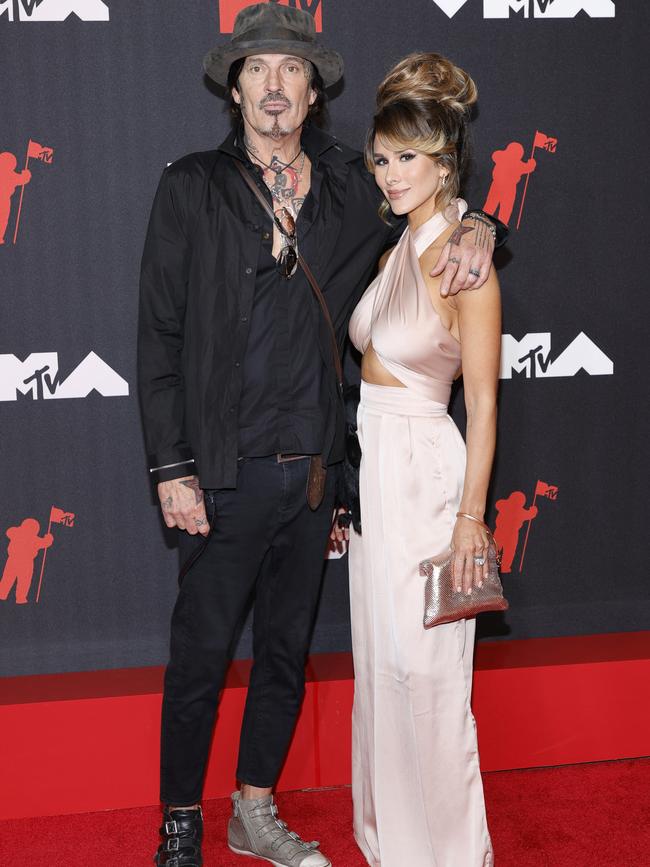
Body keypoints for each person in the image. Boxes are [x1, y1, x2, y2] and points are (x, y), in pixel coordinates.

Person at [138, 6, 504, 865]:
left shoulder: (352, 185)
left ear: (312, 91)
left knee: (283, 655)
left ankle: (253, 809)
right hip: (220, 473)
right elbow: (159, 334)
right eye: (257, 69)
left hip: (312, 477)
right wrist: (172, 466)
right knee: (199, 656)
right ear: (235, 87)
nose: (274, 85)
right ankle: (181, 822)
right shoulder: (190, 185)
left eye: (291, 70)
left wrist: (487, 225)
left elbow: (433, 215)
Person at [347, 52, 501, 866]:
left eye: (409, 157)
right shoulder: (389, 252)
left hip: (426, 475)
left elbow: (482, 404)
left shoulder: (465, 261)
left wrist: (471, 517)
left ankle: (451, 854)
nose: (392, 172)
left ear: (445, 162)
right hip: (373, 470)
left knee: (432, 679)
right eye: (382, 156)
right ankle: (393, 846)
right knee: (383, 669)